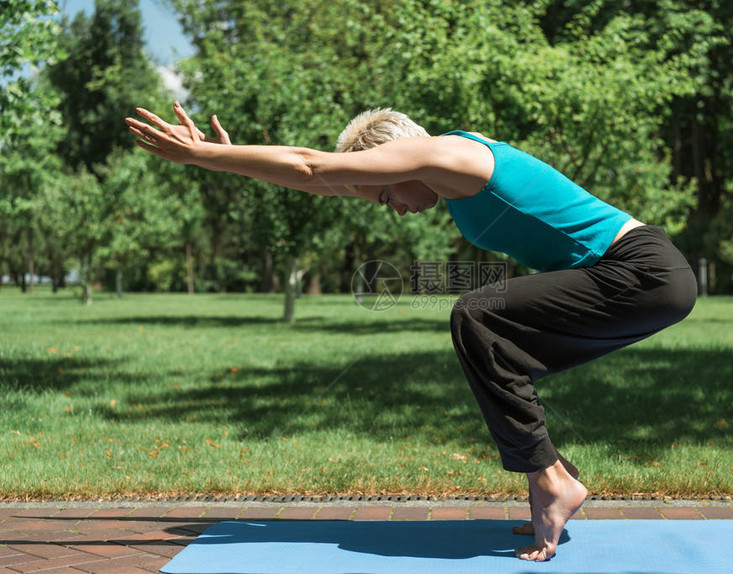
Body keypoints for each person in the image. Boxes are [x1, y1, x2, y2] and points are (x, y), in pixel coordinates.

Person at [125, 102, 697, 562]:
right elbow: (317, 179)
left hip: (639, 273)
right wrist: (231, 159)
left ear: (397, 161)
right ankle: (548, 474)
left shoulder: (450, 155)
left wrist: (201, 155)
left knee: (479, 314)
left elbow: (312, 165)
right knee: (495, 343)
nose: (393, 208)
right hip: (638, 279)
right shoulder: (442, 173)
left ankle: (549, 476)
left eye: (384, 194)